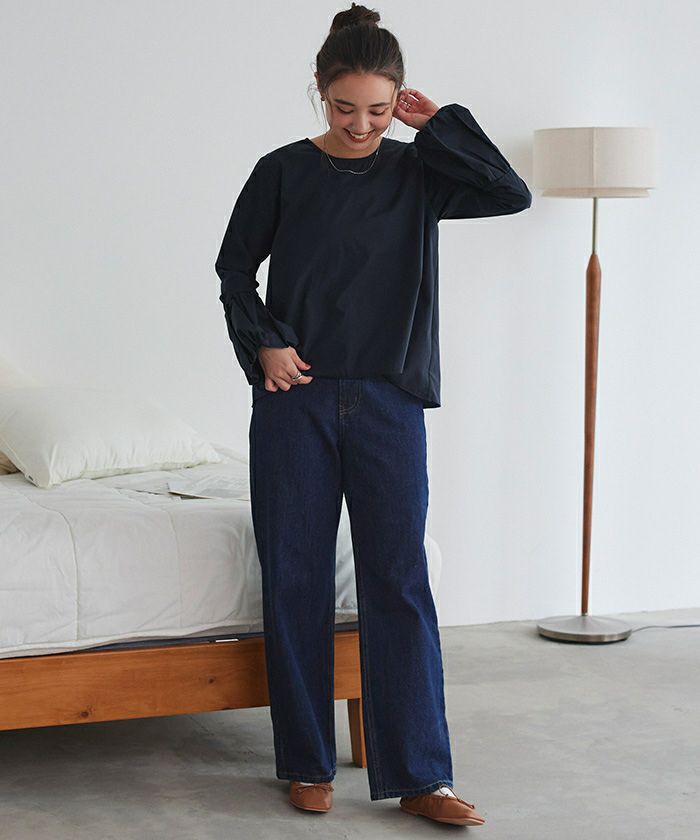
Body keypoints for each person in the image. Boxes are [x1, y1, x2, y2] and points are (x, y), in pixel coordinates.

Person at [214, 2, 531, 827]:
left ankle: (423, 776)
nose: (360, 125)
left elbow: (510, 193)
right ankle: (306, 762)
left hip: (390, 401)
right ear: (319, 91)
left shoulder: (419, 171)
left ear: (400, 100)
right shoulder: (282, 171)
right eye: (344, 107)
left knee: (399, 581)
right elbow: (233, 271)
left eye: (379, 110)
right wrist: (266, 346)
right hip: (295, 402)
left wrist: (441, 125)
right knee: (296, 577)